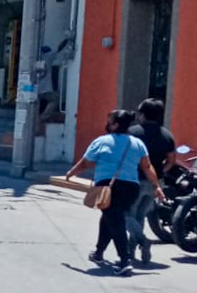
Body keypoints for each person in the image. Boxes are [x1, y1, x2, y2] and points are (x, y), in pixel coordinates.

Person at [65, 109, 162, 276]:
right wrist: (156, 185)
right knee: (110, 217)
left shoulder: (102, 141)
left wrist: (71, 173)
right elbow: (147, 166)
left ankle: (124, 261)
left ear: (115, 125)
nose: (107, 123)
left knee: (115, 220)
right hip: (131, 188)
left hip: (108, 187)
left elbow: (85, 163)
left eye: (109, 121)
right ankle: (98, 252)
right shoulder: (137, 143)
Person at [127, 98, 177, 265]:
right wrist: (161, 172)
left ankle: (142, 240)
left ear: (142, 114)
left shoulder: (132, 132)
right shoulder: (166, 135)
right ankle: (131, 251)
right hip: (155, 182)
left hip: (134, 180)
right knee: (140, 215)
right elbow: (171, 160)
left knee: (125, 214)